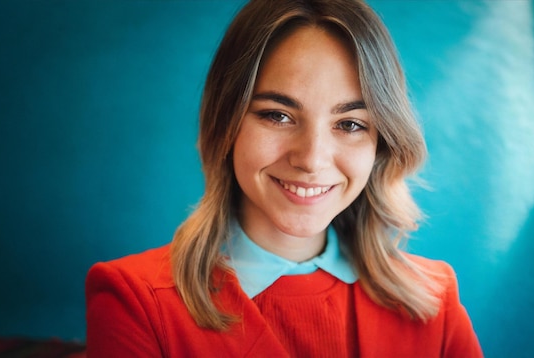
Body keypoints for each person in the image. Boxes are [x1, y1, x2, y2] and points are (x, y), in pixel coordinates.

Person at [85, 0, 483, 356]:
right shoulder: (135, 300)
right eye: (277, 115)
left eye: (349, 123)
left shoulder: (435, 300)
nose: (311, 159)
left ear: (382, 142)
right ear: (226, 124)